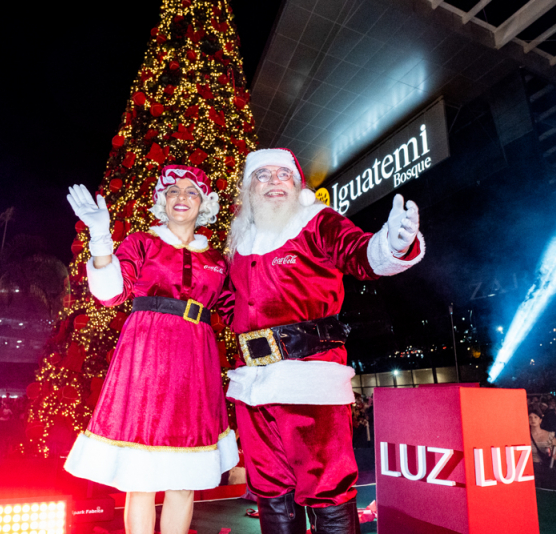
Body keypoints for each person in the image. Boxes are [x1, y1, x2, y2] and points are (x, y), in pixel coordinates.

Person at [224, 149, 424, 534]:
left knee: (327, 487)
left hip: (310, 381)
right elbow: (228, 302)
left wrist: (393, 245)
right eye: (262, 175)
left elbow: (358, 253)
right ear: (249, 188)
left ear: (297, 184)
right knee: (270, 490)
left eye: (283, 174)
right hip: (252, 387)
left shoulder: (316, 221)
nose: (273, 181)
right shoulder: (241, 241)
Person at [63, 165, 238, 534]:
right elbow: (111, 293)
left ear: (204, 203)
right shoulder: (143, 243)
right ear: (162, 200)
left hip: (195, 362)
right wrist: (99, 235)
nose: (182, 198)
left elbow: (239, 312)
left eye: (192, 192)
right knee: (140, 479)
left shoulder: (217, 260)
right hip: (146, 357)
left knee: (184, 479)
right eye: (173, 191)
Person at [529, 409, 556, 489]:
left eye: (535, 417)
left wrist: (552, 455)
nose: (533, 420)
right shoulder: (525, 436)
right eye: (530, 418)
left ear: (540, 420)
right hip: (532, 468)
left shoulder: (549, 435)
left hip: (547, 467)